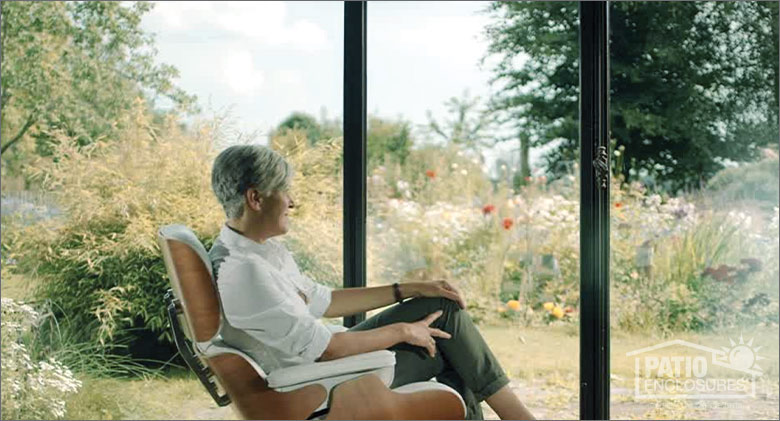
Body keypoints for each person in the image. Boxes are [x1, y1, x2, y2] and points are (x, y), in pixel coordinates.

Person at [208, 144, 536, 420]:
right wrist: (405, 330)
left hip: (320, 361)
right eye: (284, 191)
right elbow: (326, 350)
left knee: (438, 306)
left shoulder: (258, 252)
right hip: (321, 382)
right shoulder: (247, 271)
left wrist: (409, 289)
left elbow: (325, 301)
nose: (292, 202)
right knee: (449, 340)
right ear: (256, 198)